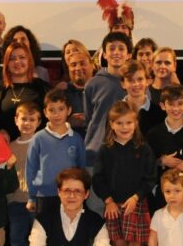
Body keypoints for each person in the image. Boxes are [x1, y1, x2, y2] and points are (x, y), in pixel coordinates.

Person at [93, 101, 157, 246]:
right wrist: (108, 200)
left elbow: (150, 178)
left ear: (135, 123)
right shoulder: (105, 150)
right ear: (111, 124)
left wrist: (136, 197)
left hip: (136, 204)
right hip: (114, 205)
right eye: (119, 123)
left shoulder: (144, 148)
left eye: (128, 122)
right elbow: (98, 179)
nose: (124, 127)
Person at [28, 90, 86, 215]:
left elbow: (81, 169)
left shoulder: (76, 139)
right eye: (52, 110)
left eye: (61, 109)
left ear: (69, 110)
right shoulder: (38, 138)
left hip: (70, 195)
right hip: (44, 196)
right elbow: (31, 168)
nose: (56, 114)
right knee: (44, 227)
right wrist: (31, 196)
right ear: (45, 112)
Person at [146, 85, 183, 208]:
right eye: (171, 104)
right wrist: (161, 161)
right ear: (163, 106)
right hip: (163, 193)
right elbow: (145, 162)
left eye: (180, 104)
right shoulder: (153, 134)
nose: (176, 108)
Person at [83, 31, 131, 166]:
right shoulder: (93, 84)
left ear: (128, 55)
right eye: (111, 48)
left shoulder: (136, 85)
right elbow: (89, 118)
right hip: (95, 154)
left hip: (126, 154)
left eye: (121, 48)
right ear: (104, 54)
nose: (116, 52)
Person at [7, 99, 41, 246]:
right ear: (16, 120)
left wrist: (35, 196)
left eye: (32, 119)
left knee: (36, 240)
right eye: (23, 119)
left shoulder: (41, 142)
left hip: (36, 199)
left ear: (38, 122)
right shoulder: (10, 146)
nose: (27, 123)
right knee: (16, 240)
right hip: (15, 200)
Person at [0, 40, 49, 140]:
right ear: (6, 63)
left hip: (36, 145)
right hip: (2, 145)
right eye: (12, 58)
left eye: (22, 57)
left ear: (29, 61)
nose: (17, 62)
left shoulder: (43, 88)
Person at [120, 59, 165, 134]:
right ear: (123, 84)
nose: (136, 84)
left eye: (140, 79)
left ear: (147, 81)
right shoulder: (115, 111)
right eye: (130, 80)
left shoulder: (159, 113)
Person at [62, 39, 94, 134]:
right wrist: (67, 123)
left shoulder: (103, 90)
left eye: (82, 63)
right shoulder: (61, 94)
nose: (78, 68)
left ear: (92, 65)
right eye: (73, 65)